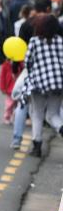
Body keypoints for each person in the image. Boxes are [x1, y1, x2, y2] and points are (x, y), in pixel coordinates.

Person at [20, 15, 63, 157]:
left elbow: (27, 62)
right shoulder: (60, 41)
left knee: (37, 114)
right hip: (57, 82)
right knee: (53, 115)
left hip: (39, 82)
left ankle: (37, 147)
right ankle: (61, 128)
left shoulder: (34, 41)